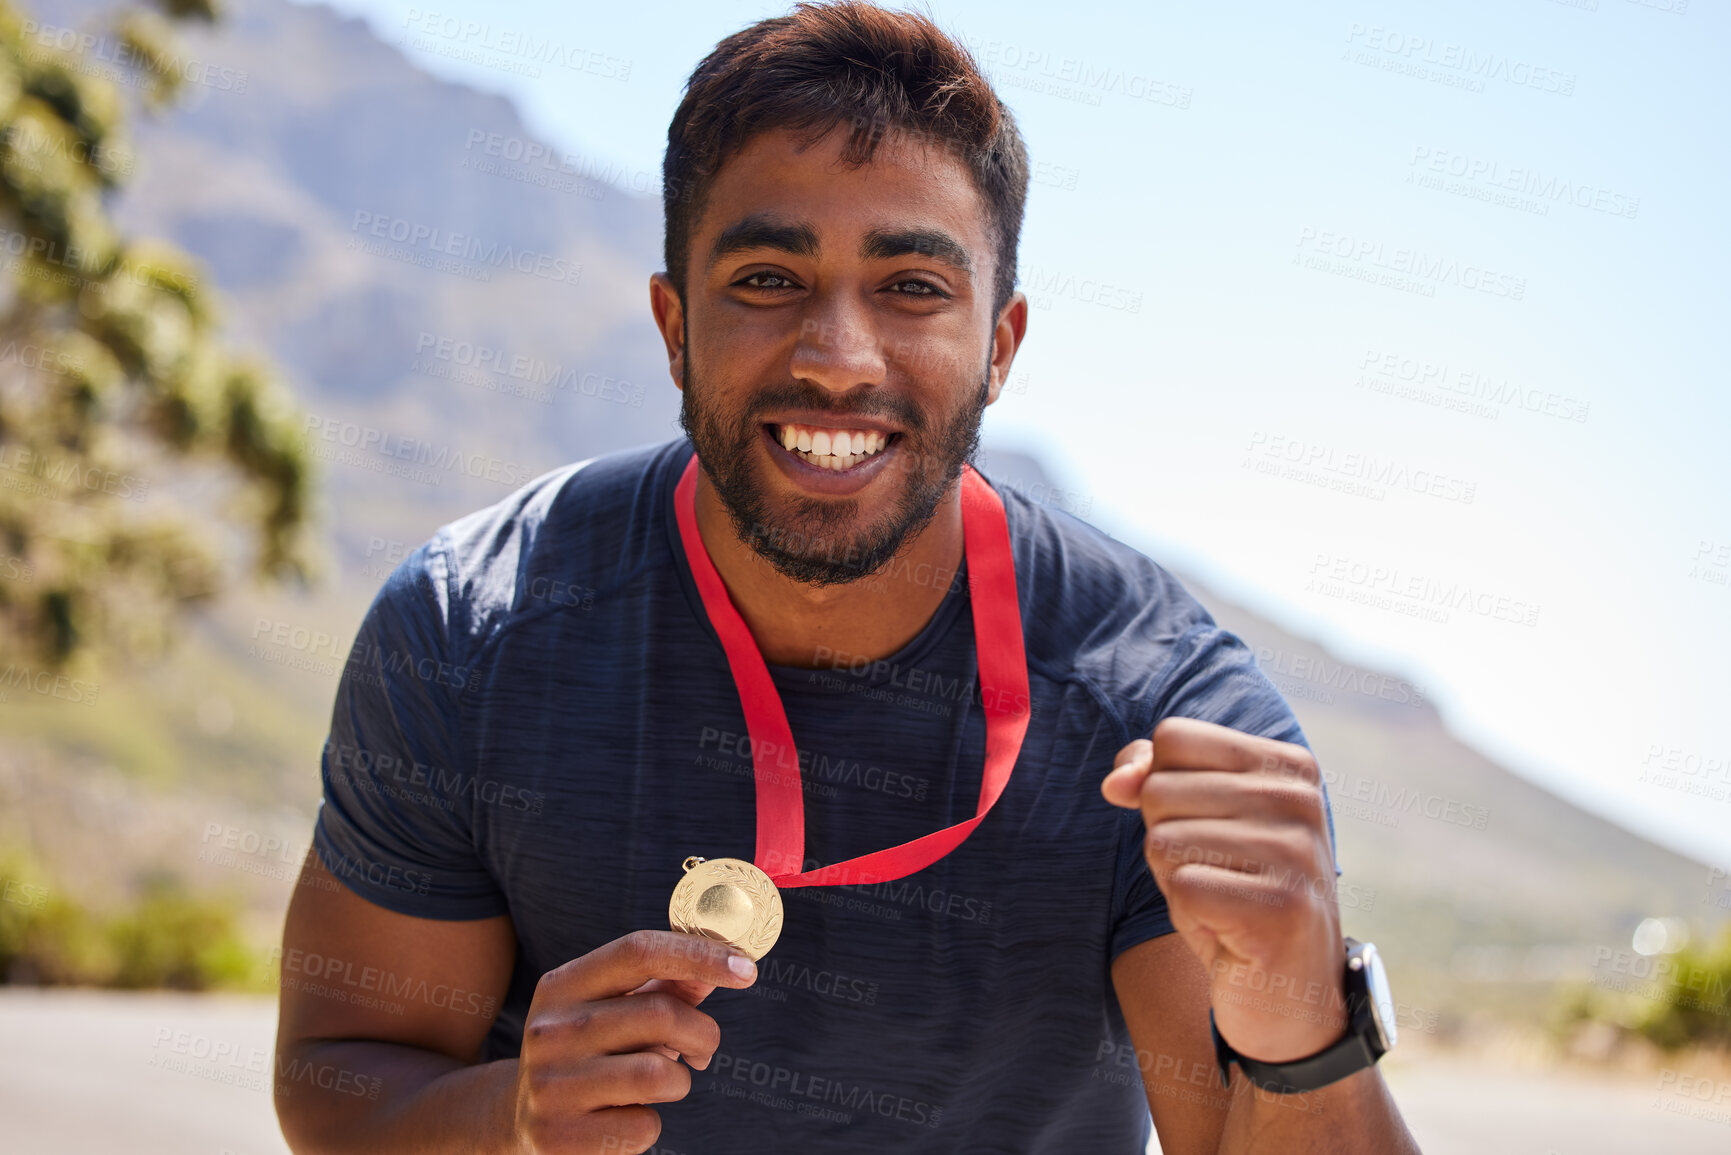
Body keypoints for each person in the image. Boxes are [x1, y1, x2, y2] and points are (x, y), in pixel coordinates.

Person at [273, 3, 1419, 1152]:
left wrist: (1298, 1026)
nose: (838, 358)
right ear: (674, 326)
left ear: (999, 349)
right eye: (768, 278)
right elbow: (346, 1075)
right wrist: (512, 1118)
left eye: (913, 287)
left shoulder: (1162, 721)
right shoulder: (472, 628)